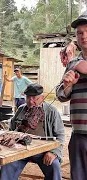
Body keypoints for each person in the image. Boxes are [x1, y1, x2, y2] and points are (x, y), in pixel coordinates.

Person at [1, 83, 65, 180]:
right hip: (20, 149)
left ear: (42, 98)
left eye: (34, 98)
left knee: (54, 165)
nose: (31, 102)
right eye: (28, 98)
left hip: (43, 151)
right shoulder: (21, 109)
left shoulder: (52, 111)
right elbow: (11, 130)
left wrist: (54, 152)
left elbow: (60, 135)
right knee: (7, 164)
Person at [56, 11, 87, 180]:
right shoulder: (73, 64)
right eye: (80, 33)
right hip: (79, 134)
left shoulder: (79, 65)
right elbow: (60, 95)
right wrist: (67, 86)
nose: (84, 36)